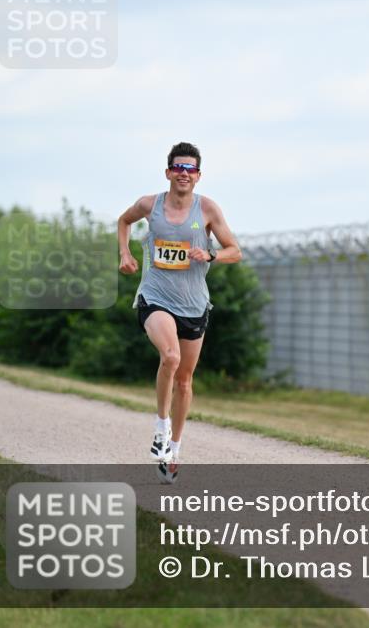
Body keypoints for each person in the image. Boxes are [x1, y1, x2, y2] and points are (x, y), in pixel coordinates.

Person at [118, 142, 241, 483]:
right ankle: (160, 428)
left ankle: (173, 449)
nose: (184, 174)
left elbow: (235, 250)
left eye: (190, 169)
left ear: (198, 176)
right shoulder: (150, 205)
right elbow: (123, 221)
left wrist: (212, 256)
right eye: (178, 168)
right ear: (169, 172)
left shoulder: (208, 210)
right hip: (155, 296)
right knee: (169, 357)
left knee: (185, 381)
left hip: (194, 305)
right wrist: (125, 254)